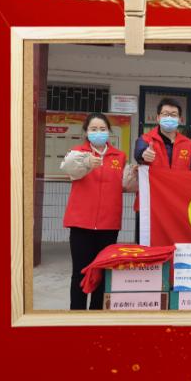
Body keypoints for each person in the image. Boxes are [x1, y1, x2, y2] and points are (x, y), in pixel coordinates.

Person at [61, 113, 138, 310]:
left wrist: (134, 176)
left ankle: (97, 314)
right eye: (93, 129)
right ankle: (77, 314)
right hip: (81, 223)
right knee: (80, 271)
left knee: (103, 272)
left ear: (109, 132)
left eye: (102, 129)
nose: (98, 132)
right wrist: (86, 163)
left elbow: (124, 185)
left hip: (108, 224)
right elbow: (68, 169)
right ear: (86, 132)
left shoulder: (119, 156)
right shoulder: (77, 152)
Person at [134, 99, 191, 171]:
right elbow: (139, 154)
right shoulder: (145, 139)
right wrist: (144, 155)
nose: (169, 118)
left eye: (174, 115)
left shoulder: (189, 144)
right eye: (165, 114)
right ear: (158, 118)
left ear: (180, 119)